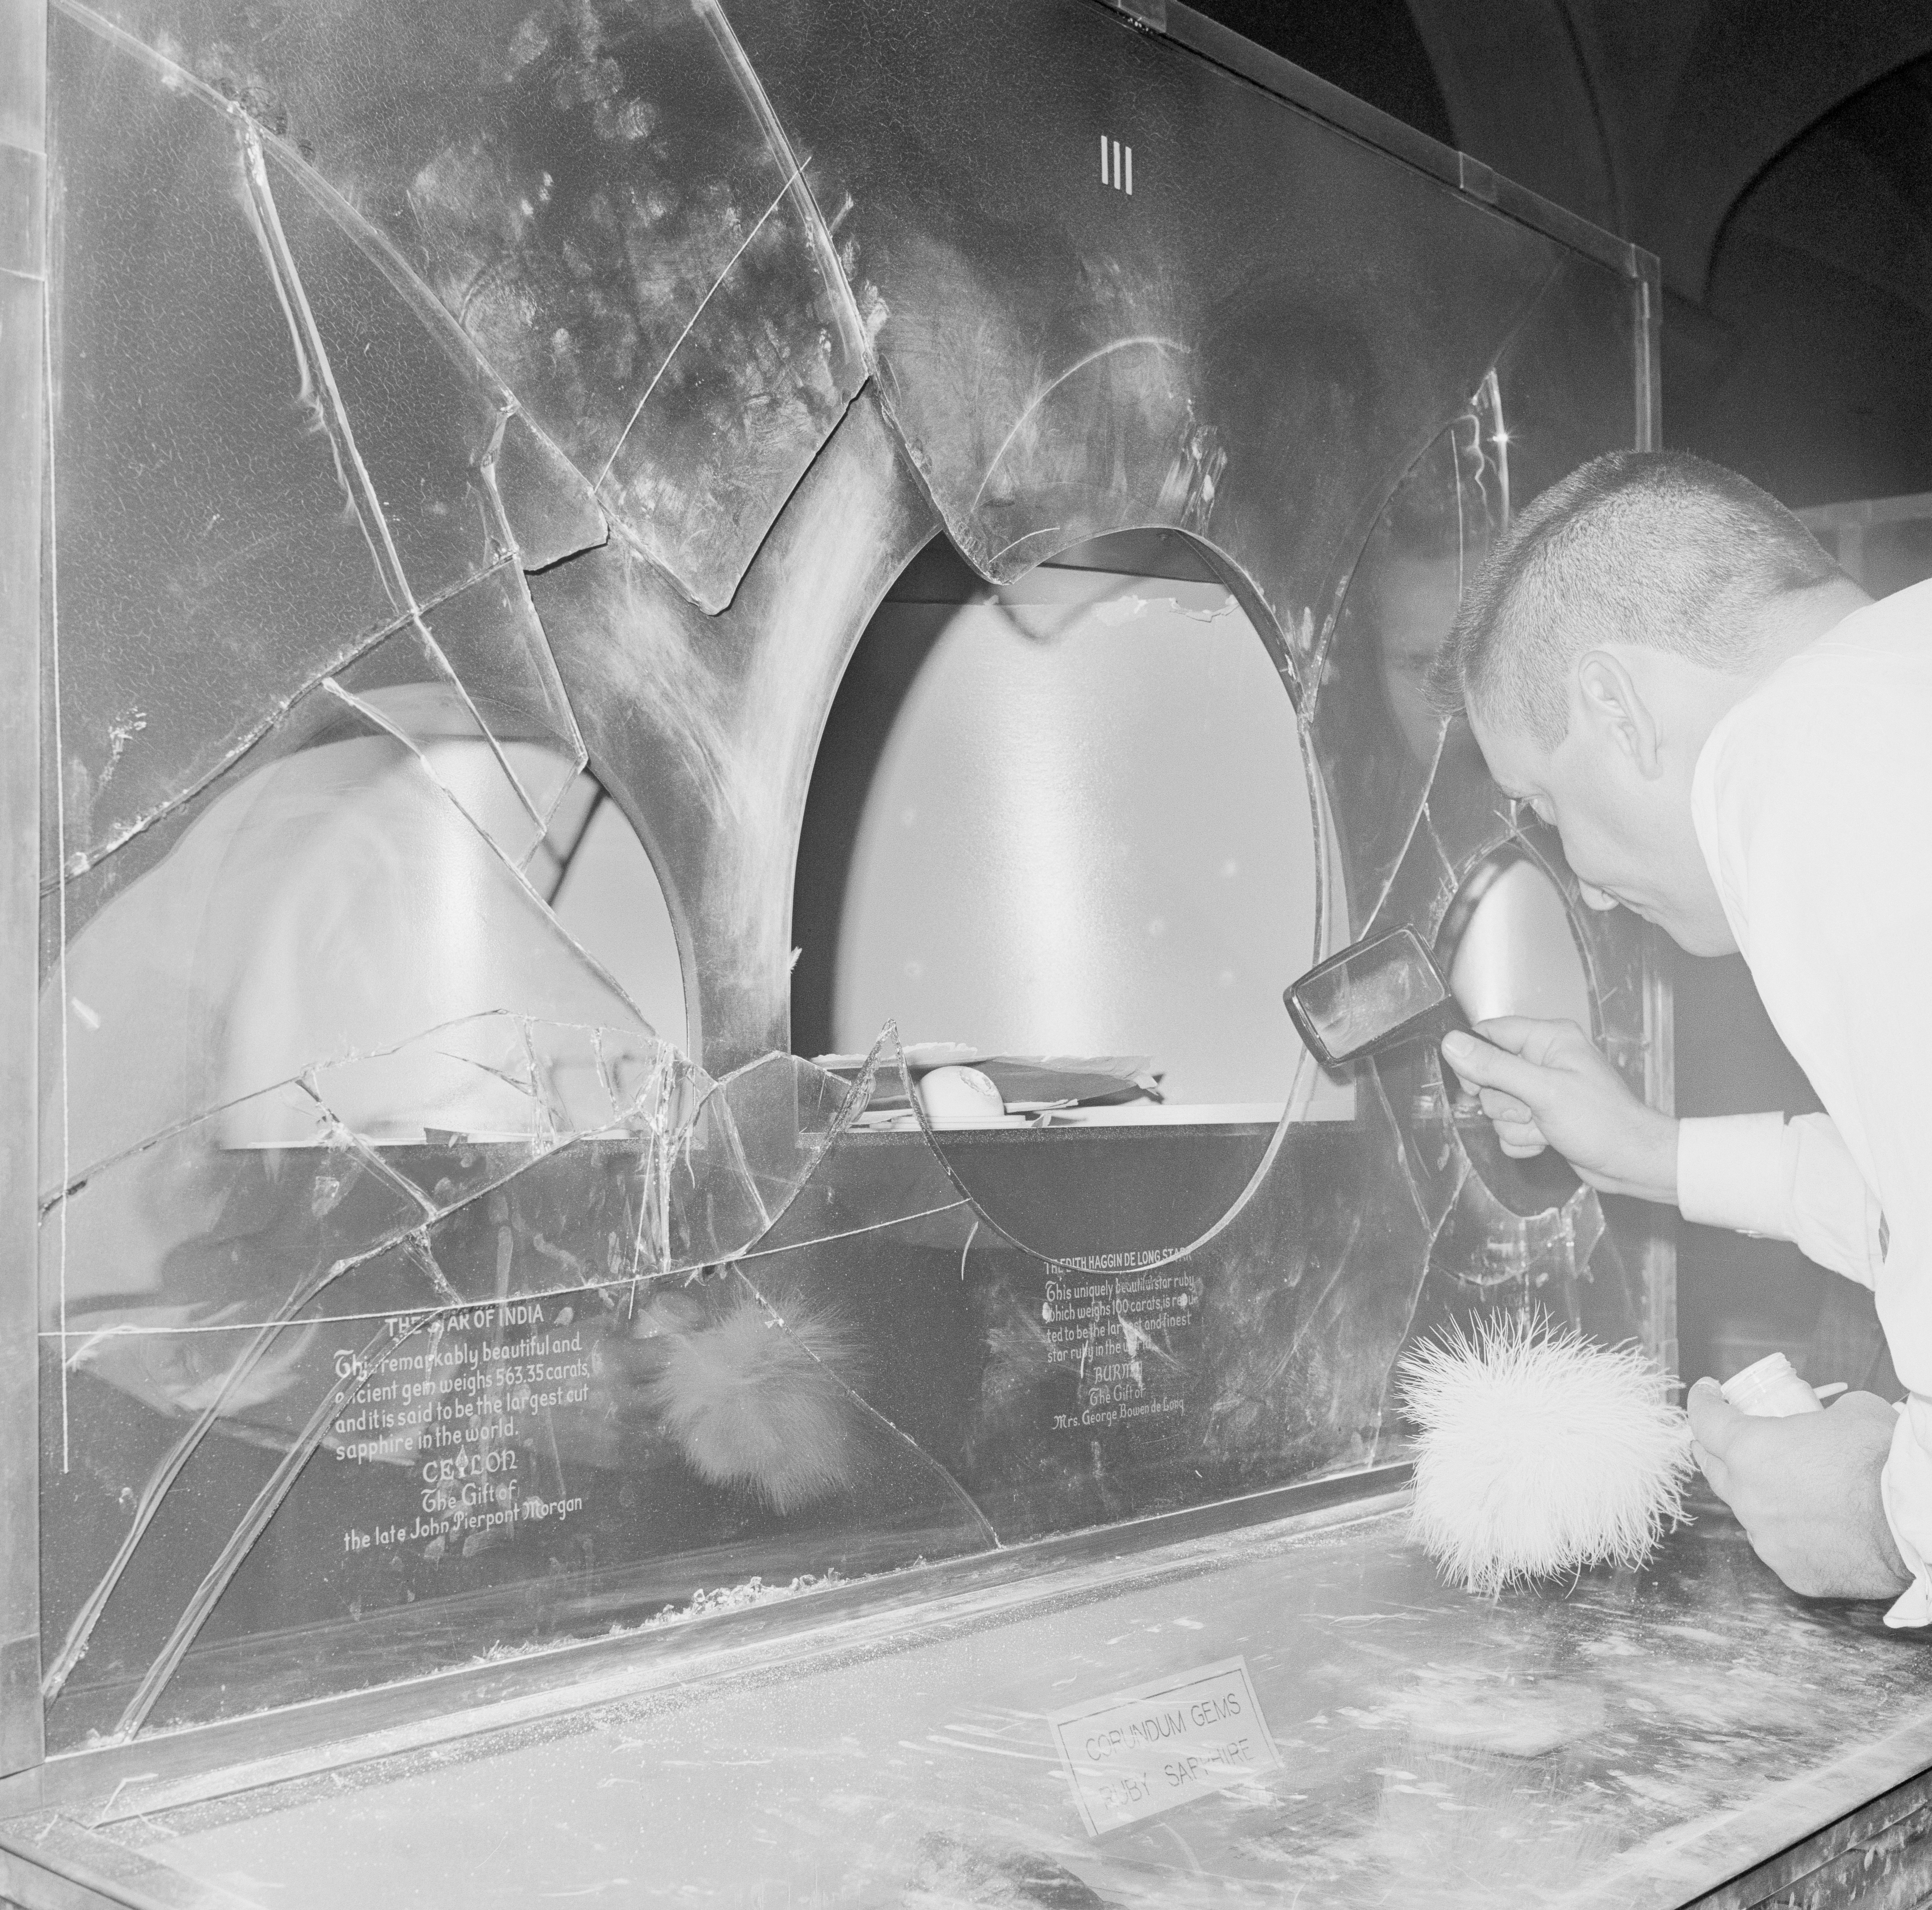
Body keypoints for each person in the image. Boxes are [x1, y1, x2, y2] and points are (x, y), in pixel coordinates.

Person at [1436, 448, 1932, 1620]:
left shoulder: (1804, 754)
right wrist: (1646, 1153)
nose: (1590, 888)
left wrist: (1878, 1513)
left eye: (1551, 809)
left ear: (1612, 705)